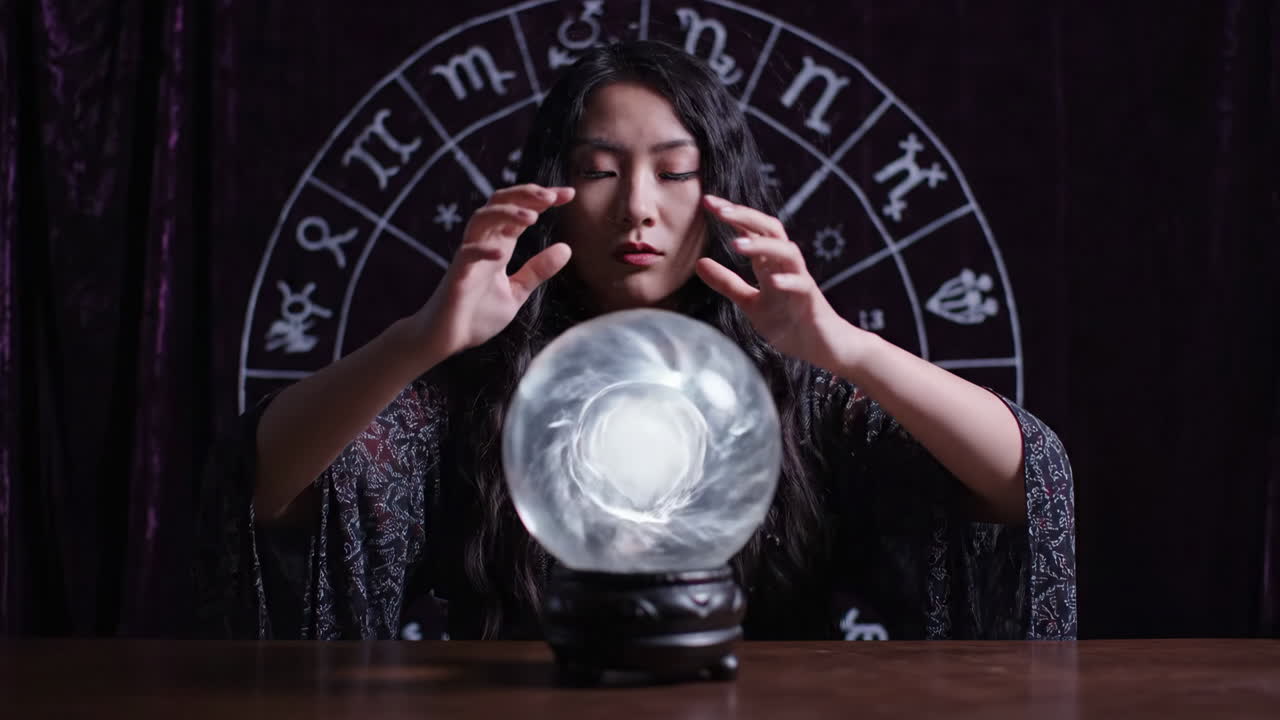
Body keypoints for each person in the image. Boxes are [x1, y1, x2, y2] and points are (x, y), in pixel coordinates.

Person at [198, 41, 1075, 642]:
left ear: (721, 188)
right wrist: (420, 341)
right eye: (599, 171)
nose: (639, 208)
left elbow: (1022, 476)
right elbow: (270, 483)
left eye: (676, 170)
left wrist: (845, 348)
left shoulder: (794, 391)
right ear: (553, 189)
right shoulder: (481, 389)